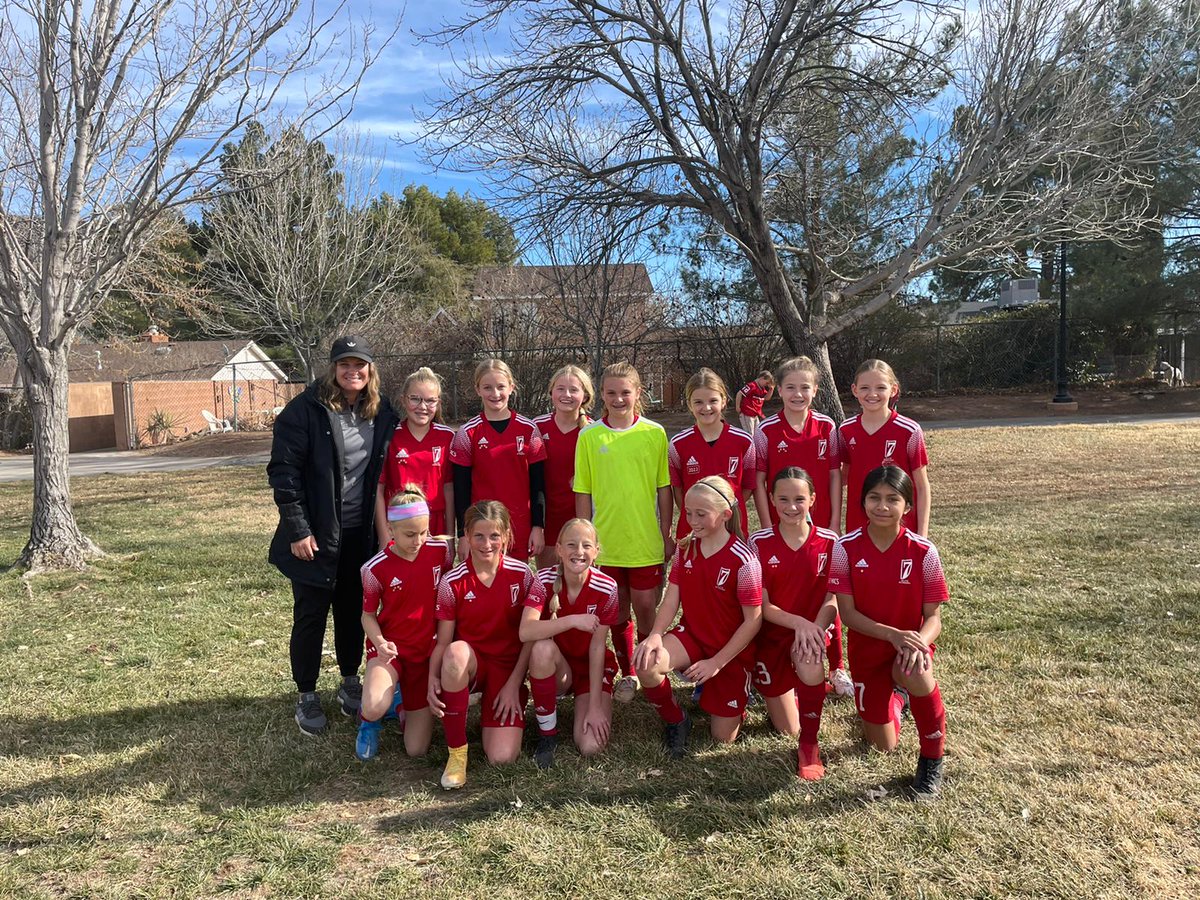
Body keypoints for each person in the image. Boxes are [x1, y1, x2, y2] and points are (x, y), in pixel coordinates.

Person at [268, 335, 398, 736]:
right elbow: (284, 474)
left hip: (360, 533)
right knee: (310, 613)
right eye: (344, 364)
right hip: (318, 533)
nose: (352, 371)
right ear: (333, 368)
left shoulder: (381, 410)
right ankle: (307, 694)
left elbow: (418, 426)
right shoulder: (305, 410)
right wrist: (298, 529)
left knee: (351, 608)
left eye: (360, 365)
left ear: (370, 370)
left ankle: (348, 681)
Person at [828, 466, 949, 800]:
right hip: (868, 655)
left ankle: (932, 759)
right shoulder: (844, 548)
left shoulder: (924, 552)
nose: (882, 506)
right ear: (863, 502)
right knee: (882, 745)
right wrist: (894, 634)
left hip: (908, 649)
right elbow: (848, 614)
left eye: (892, 499)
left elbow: (934, 618)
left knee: (917, 668)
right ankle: (899, 698)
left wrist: (918, 642)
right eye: (874, 498)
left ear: (907, 506)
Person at [633, 476, 762, 758]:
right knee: (646, 663)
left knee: (721, 740)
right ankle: (676, 719)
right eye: (688, 512)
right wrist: (655, 633)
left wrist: (716, 663)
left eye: (701, 514)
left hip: (729, 653)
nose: (692, 519)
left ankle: (733, 691)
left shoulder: (744, 560)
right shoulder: (686, 547)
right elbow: (671, 597)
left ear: (726, 514)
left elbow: (753, 621)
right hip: (692, 637)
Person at [574, 361, 673, 704]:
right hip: (607, 543)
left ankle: (649, 666)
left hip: (644, 540)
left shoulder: (654, 433)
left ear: (638, 393)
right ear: (601, 394)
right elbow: (583, 492)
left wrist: (666, 531)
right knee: (616, 612)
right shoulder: (589, 435)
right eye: (611, 393)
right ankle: (628, 672)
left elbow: (663, 488)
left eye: (625, 392)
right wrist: (586, 540)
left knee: (647, 607)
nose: (618, 399)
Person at [428, 500, 546, 790]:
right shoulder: (451, 582)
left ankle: (501, 707)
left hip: (508, 669)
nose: (486, 543)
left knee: (502, 758)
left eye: (494, 535)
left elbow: (530, 635)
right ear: (466, 536)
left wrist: (513, 684)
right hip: (474, 663)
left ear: (506, 536)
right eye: (478, 536)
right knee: (456, 653)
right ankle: (457, 753)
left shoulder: (523, 574)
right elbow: (444, 641)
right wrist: (433, 677)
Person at [752, 356, 851, 699]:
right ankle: (778, 659)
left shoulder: (827, 427)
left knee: (828, 591)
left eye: (804, 387)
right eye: (790, 387)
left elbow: (836, 476)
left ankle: (837, 666)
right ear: (778, 390)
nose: (797, 394)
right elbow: (760, 480)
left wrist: (834, 520)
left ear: (816, 390)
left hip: (820, 526)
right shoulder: (765, 430)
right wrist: (768, 527)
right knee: (783, 591)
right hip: (781, 524)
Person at [748, 468, 839, 780]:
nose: (791, 506)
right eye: (783, 499)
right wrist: (798, 622)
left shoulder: (830, 542)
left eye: (799, 499)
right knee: (786, 726)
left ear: (812, 499)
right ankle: (794, 691)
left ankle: (809, 747)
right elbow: (760, 602)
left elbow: (834, 597)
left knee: (810, 659)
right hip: (773, 636)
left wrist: (813, 628)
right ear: (772, 500)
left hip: (811, 632)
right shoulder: (758, 542)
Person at [356, 486, 455, 761]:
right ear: (390, 528)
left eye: (424, 532)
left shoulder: (440, 551)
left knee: (416, 749)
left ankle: (400, 703)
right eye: (410, 534)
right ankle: (369, 721)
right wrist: (380, 643)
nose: (418, 540)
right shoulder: (374, 568)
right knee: (375, 704)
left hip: (425, 653)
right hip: (391, 651)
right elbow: (367, 615)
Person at [520, 518, 619, 768]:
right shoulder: (543, 579)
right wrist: (573, 620)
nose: (579, 551)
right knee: (542, 648)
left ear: (596, 551)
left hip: (589, 670)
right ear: (559, 549)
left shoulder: (607, 587)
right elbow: (526, 631)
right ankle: (547, 737)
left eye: (587, 545)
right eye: (572, 545)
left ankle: (588, 703)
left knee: (590, 746)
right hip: (559, 668)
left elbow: (598, 647)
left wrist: (595, 707)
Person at [450, 359, 548, 561]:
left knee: (516, 585)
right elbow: (461, 489)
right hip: (480, 528)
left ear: (511, 387)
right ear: (477, 389)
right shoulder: (467, 433)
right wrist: (463, 534)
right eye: (487, 387)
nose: (495, 394)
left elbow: (538, 484)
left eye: (501, 387)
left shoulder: (529, 429)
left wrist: (538, 526)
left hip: (518, 526)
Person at [839, 359, 931, 536]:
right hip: (858, 527)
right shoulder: (845, 430)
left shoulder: (909, 430)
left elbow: (922, 485)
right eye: (865, 388)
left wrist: (922, 534)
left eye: (880, 388)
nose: (872, 394)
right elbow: (842, 477)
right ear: (854, 390)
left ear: (893, 390)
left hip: (901, 527)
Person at [668, 368, 756, 540]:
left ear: (724, 401)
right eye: (698, 402)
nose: (706, 407)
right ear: (689, 404)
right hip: (693, 531)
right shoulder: (678, 444)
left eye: (713, 400)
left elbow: (747, 488)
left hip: (732, 528)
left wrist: (721, 512)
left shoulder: (744, 441)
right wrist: (697, 515)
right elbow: (678, 490)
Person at [375, 367, 456, 546]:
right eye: (415, 399)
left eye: (430, 401)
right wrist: (384, 536)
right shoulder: (389, 436)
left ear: (438, 403)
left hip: (435, 526)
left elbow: (449, 489)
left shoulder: (447, 437)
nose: (422, 407)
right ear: (403, 400)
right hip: (399, 523)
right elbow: (378, 490)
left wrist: (450, 536)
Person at [532, 365, 594, 569]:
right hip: (548, 519)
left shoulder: (594, 431)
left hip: (584, 516)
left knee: (580, 584)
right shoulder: (537, 427)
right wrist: (536, 524)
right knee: (549, 584)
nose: (566, 395)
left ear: (585, 396)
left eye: (574, 390)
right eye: (560, 389)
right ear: (551, 392)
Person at [736, 370, 776, 435]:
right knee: (750, 434)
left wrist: (771, 389)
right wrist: (737, 406)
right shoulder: (752, 386)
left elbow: (766, 398)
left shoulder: (762, 389)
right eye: (766, 383)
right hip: (747, 413)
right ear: (762, 378)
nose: (766, 385)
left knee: (758, 433)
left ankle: (756, 445)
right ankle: (750, 445)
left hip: (755, 414)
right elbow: (739, 393)